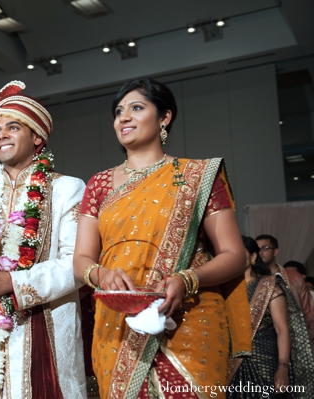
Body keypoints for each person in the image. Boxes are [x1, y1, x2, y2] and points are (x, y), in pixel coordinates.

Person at [73, 78, 251, 398]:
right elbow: (81, 260)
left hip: (190, 318)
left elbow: (234, 255)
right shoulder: (98, 185)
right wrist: (102, 274)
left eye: (136, 108)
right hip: (118, 324)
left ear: (164, 117)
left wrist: (186, 280)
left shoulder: (198, 175)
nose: (123, 117)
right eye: (118, 112)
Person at [0, 80, 87, 398]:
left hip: (45, 324)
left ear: (37, 136)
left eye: (13, 127)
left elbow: (76, 264)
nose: (2, 135)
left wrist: (9, 282)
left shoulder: (67, 189)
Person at [228, 237, 314, 398]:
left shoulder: (269, 285)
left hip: (264, 360)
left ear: (253, 257)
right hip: (230, 363)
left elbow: (282, 329)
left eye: (239, 253)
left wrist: (282, 367)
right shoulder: (224, 290)